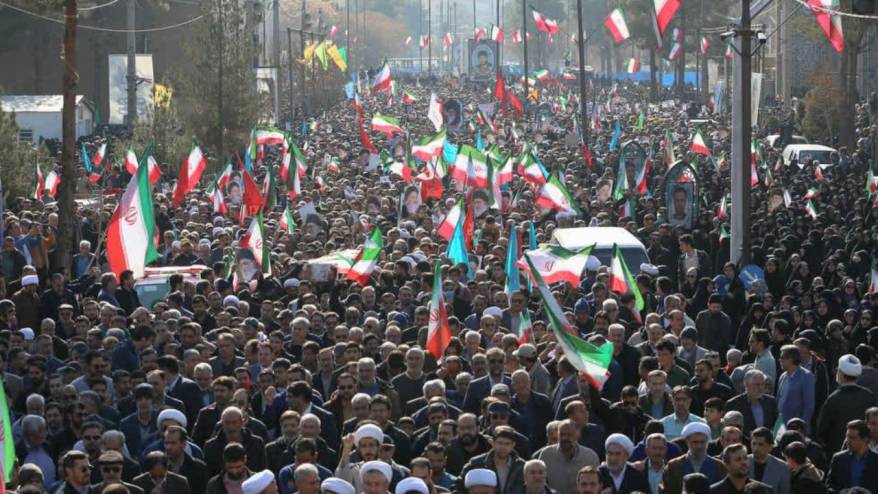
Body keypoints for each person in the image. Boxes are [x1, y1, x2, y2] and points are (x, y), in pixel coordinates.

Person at [817, 354, 878, 454]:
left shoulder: (833, 399)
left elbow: (822, 431)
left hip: (837, 451)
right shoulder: (869, 396)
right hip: (865, 451)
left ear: (840, 373)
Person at [662, 422, 725, 493]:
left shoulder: (719, 466)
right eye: (695, 442)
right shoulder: (674, 466)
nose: (699, 446)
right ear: (686, 442)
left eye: (702, 442)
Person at [825, 419, 878, 493]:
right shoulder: (838, 459)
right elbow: (829, 485)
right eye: (847, 437)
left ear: (865, 439)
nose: (847, 441)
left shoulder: (875, 461)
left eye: (852, 438)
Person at [747, 427, 790, 494]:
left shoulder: (782, 468)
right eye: (754, 444)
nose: (756, 448)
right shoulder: (742, 463)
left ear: (770, 447)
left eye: (760, 444)